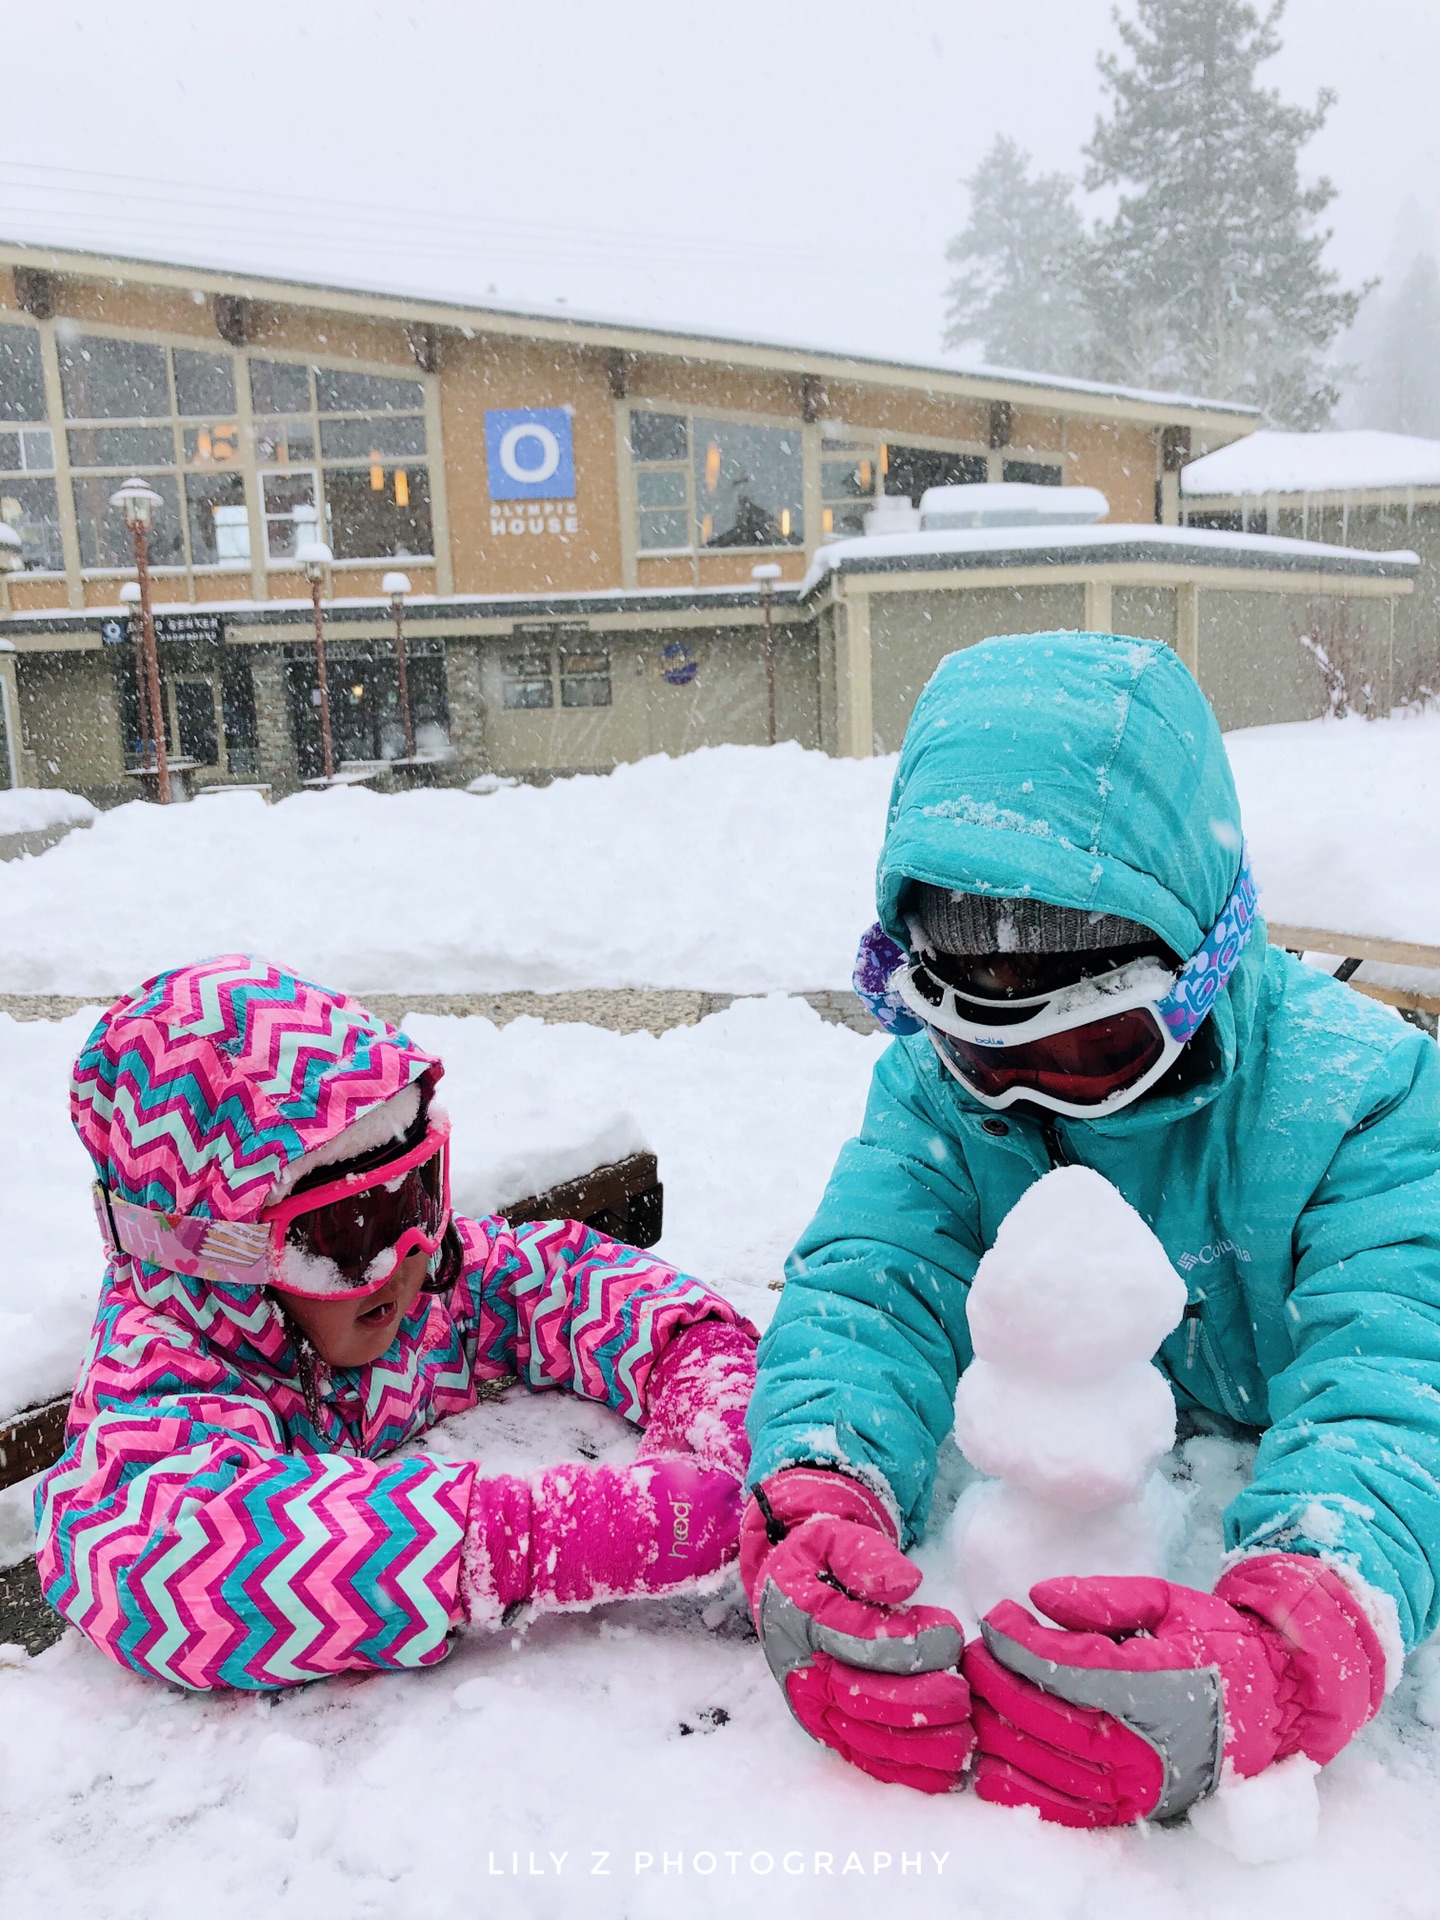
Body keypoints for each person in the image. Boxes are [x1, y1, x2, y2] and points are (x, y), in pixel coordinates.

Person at [742, 632, 1440, 1827]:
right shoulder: (936, 1099)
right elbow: (872, 1291)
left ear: (1200, 969)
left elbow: (1401, 1375)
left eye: (1105, 1047)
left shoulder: (1361, 1100)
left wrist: (1297, 1636)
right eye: (990, 1051)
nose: (1043, 1096)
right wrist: (813, 1495)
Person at [37, 955, 756, 1691]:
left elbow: (564, 1279)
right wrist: (534, 1539)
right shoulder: (153, 1383)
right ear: (219, 1251)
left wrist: (705, 1371)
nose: (404, 1255)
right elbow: (176, 1566)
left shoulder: (409, 1292)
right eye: (347, 1227)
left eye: (415, 1195)